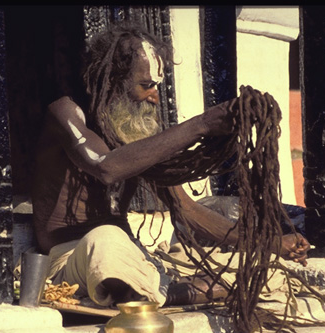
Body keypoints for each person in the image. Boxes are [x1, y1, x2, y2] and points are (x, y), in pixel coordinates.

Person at [31, 23, 310, 308]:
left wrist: (268, 243)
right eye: (146, 85)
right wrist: (201, 125)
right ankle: (173, 293)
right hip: (73, 257)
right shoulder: (65, 112)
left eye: (157, 87)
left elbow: (187, 210)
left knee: (267, 269)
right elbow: (105, 168)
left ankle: (153, 292)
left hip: (132, 254)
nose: (154, 97)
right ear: (114, 80)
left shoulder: (133, 130)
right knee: (106, 239)